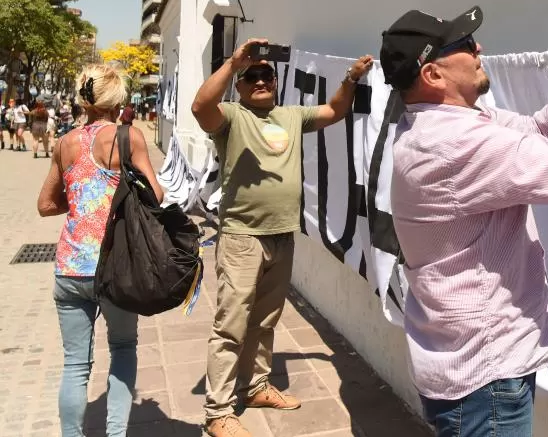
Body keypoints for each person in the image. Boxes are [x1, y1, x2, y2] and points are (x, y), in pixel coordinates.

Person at [379, 7, 548, 437]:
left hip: (469, 368)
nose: (478, 49)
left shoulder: (440, 125)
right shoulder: (455, 145)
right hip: (486, 382)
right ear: (433, 75)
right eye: (463, 45)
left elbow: (537, 131)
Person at [191, 38, 373, 437]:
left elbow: (335, 109)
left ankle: (254, 387)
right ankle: (218, 412)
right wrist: (234, 62)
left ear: (276, 81)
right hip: (242, 237)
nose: (259, 81)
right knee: (231, 325)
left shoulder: (291, 115)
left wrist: (351, 78)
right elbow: (200, 107)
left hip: (282, 235)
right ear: (239, 87)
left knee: (265, 320)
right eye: (249, 77)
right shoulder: (232, 118)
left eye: (265, 75)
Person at [36, 64, 165, 437]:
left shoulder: (65, 142)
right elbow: (155, 194)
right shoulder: (130, 137)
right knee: (123, 348)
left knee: (75, 364)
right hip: (115, 268)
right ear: (117, 98)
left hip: (70, 267)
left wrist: (82, 201)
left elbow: (45, 205)